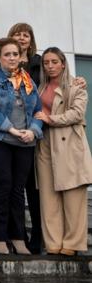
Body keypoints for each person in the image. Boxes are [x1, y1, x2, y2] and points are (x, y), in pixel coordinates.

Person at [0, 37, 43, 255]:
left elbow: (39, 112)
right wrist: (11, 129)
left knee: (17, 191)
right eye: (7, 54)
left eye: (15, 54)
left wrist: (33, 130)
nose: (12, 58)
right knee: (2, 186)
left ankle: (18, 237)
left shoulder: (28, 81)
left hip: (24, 142)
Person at [35, 48, 92, 256]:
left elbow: (77, 113)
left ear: (63, 63)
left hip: (69, 144)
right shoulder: (40, 88)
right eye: (46, 62)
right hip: (45, 144)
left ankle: (72, 243)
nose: (50, 66)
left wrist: (51, 119)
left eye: (54, 62)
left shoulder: (76, 86)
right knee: (48, 198)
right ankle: (53, 243)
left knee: (73, 197)